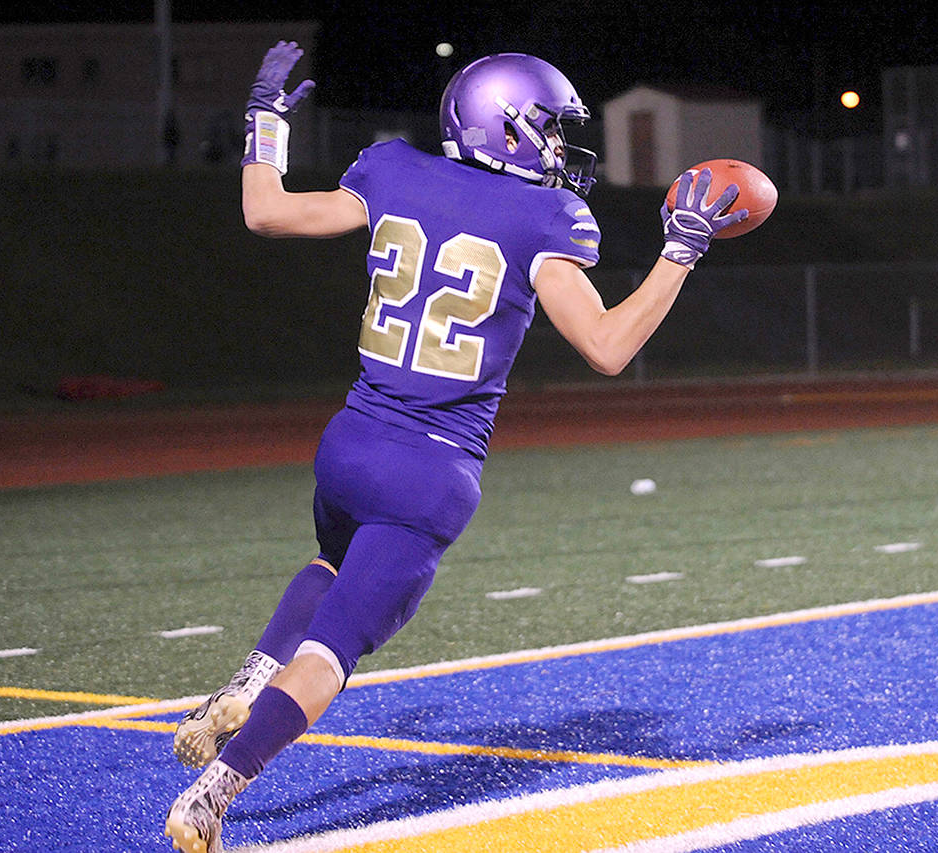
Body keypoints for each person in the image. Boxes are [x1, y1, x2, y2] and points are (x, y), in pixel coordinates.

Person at [165, 40, 746, 852]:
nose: (559, 145)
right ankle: (212, 793)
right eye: (548, 127)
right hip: (430, 470)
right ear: (504, 128)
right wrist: (679, 253)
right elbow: (608, 345)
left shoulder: (393, 170)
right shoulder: (544, 218)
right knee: (331, 652)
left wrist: (266, 120)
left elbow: (266, 211)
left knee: (331, 562)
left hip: (349, 442)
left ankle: (246, 682)